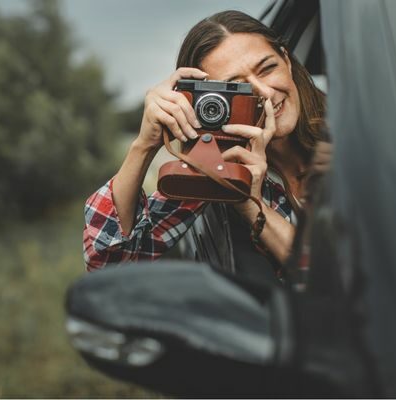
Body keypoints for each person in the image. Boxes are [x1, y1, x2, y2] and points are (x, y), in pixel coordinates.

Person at [83, 10, 327, 283]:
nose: (266, 93)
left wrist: (258, 212)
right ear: (210, 104)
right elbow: (108, 264)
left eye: (268, 68)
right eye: (237, 88)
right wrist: (144, 146)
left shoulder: (356, 128)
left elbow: (346, 277)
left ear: (286, 60)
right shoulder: (219, 169)